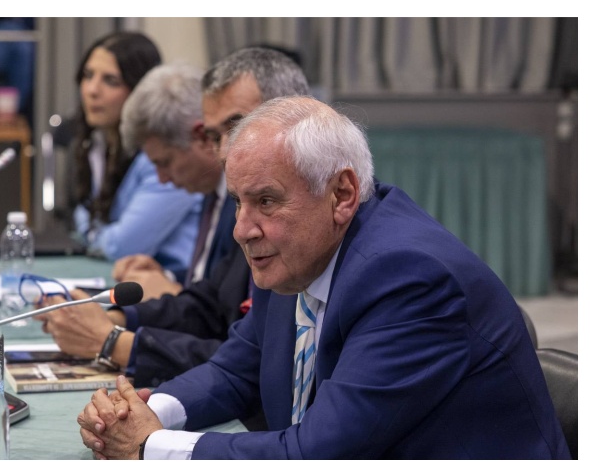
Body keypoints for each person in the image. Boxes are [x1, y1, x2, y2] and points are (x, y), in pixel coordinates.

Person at [78, 96, 571, 460]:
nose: (242, 230)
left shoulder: (409, 279)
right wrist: (145, 411)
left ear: (342, 195)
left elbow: (316, 453)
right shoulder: (296, 254)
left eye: (266, 201)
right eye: (239, 202)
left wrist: (150, 447)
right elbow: (235, 370)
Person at [35, 47, 310, 391]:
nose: (224, 151)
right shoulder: (236, 202)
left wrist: (112, 341)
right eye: (217, 136)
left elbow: (253, 365)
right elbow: (213, 306)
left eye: (238, 128)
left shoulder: (305, 223)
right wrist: (119, 317)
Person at [69, 31, 201, 282]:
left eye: (110, 81)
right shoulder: (98, 144)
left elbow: (122, 246)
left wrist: (90, 234)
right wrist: (94, 231)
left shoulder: (165, 159)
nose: (92, 90)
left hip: (179, 285)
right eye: (87, 76)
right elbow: (83, 213)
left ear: (140, 90)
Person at [112, 62, 235, 301]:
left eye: (165, 162)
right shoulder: (210, 191)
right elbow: (212, 280)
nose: (162, 178)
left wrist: (175, 294)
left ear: (201, 137)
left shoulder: (242, 203)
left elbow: (232, 311)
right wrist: (166, 277)